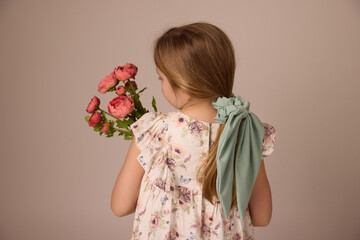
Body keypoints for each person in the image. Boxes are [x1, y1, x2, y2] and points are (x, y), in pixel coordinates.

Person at [111, 22, 276, 240]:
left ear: (183, 84)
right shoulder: (245, 130)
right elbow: (262, 217)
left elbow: (120, 206)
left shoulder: (155, 130)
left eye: (162, 78)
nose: (161, 83)